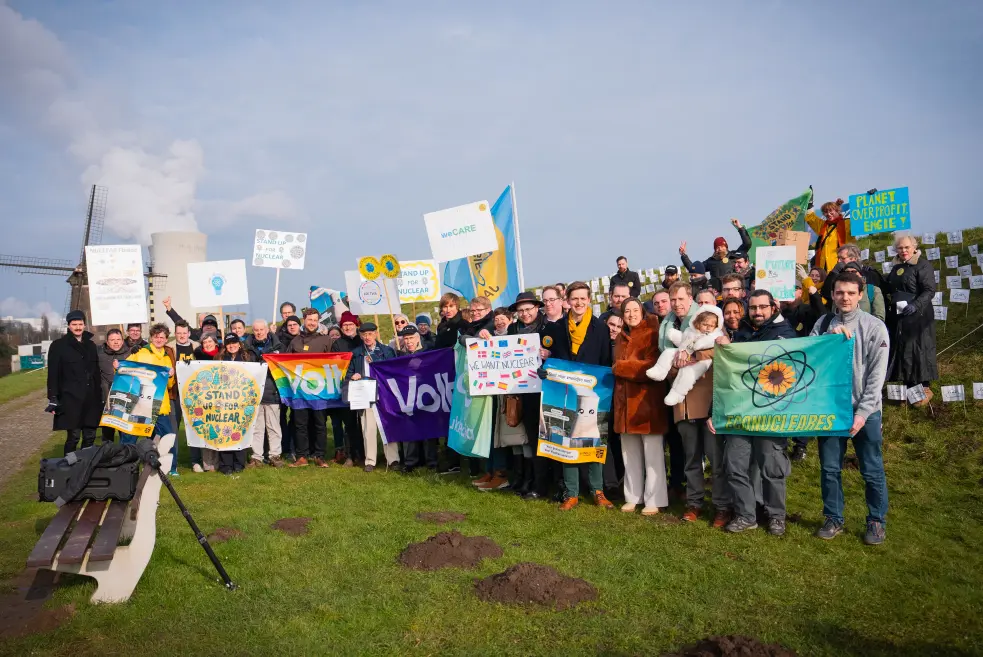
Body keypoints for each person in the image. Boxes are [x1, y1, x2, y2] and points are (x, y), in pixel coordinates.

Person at [811, 271, 890, 545]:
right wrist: (829, 341)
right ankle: (833, 518)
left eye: (850, 293)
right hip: (831, 410)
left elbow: (877, 376)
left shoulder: (875, 327)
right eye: (839, 292)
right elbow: (811, 362)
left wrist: (864, 412)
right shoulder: (822, 324)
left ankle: (876, 521)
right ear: (832, 294)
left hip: (864, 410)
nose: (844, 297)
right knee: (830, 468)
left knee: (871, 469)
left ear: (860, 295)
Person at [715, 289, 796, 536]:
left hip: (771, 412)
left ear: (773, 307)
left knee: (771, 467)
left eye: (762, 307)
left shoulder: (786, 333)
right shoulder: (742, 332)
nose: (757, 312)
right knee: (735, 465)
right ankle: (746, 515)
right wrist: (728, 348)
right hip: (741, 411)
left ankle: (776, 517)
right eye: (753, 308)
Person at [658, 282, 729, 526]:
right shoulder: (668, 326)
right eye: (672, 299)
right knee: (691, 459)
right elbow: (667, 364)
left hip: (707, 402)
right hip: (682, 405)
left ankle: (721, 506)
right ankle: (694, 503)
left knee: (715, 458)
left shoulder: (708, 320)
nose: (676, 304)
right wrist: (674, 365)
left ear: (691, 300)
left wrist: (693, 356)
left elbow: (722, 348)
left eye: (680, 299)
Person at [542, 282, 614, 511]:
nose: (579, 303)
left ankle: (597, 490)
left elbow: (605, 362)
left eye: (583, 298)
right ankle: (571, 493)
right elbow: (548, 358)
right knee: (566, 439)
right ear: (567, 301)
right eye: (575, 299)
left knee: (595, 438)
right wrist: (544, 369)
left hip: (594, 392)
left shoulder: (600, 328)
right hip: (564, 393)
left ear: (589, 300)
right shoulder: (556, 328)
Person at [612, 298, 669, 515]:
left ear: (642, 312)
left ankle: (655, 499)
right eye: (627, 311)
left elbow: (653, 366)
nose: (631, 314)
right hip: (624, 405)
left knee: (653, 455)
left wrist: (621, 367)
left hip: (647, 403)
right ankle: (632, 496)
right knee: (630, 454)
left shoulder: (653, 333)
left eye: (635, 310)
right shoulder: (620, 337)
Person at [504, 292, 552, 499]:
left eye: (528, 309)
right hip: (525, 390)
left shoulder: (548, 326)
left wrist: (550, 354)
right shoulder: (513, 329)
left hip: (549, 390)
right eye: (520, 310)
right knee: (532, 437)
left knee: (549, 436)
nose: (524, 314)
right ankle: (536, 483)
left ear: (536, 308)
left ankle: (551, 482)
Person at [885, 235, 937, 406]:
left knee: (918, 349)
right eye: (900, 248)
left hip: (919, 316)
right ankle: (908, 388)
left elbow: (929, 290)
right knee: (904, 350)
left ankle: (924, 387)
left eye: (907, 247)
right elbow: (889, 287)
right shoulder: (895, 267)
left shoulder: (922, 265)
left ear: (914, 247)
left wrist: (916, 305)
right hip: (900, 317)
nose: (903, 251)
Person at [47, 310, 103, 455]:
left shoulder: (91, 345)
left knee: (90, 436)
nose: (78, 327)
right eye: (74, 324)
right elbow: (53, 373)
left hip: (91, 398)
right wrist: (53, 397)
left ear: (84, 325)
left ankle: (85, 467)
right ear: (69, 326)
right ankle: (69, 467)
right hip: (71, 398)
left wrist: (99, 395)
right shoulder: (58, 346)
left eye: (80, 324)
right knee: (74, 436)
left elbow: (96, 371)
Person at [347, 322, 400, 472]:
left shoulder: (387, 351)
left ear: (376, 334)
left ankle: (393, 459)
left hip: (384, 394)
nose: (367, 337)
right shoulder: (357, 353)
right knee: (368, 427)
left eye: (370, 334)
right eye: (364, 335)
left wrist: (375, 362)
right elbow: (349, 373)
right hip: (365, 394)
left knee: (387, 426)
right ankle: (370, 460)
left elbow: (391, 371)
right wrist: (353, 376)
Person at [126, 324, 178, 474]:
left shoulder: (167, 358)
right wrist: (117, 366)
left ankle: (171, 467)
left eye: (162, 337)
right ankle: (126, 466)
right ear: (151, 337)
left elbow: (169, 385)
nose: (159, 339)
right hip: (141, 404)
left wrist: (171, 376)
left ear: (166, 339)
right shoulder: (141, 353)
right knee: (131, 437)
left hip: (160, 405)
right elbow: (126, 368)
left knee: (168, 437)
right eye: (156, 337)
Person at [647, 305, 723, 406]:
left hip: (701, 362)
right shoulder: (690, 331)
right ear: (698, 323)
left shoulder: (715, 335)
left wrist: (692, 349)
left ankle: (677, 393)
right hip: (686, 353)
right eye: (705, 324)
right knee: (668, 352)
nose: (708, 328)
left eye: (711, 325)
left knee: (687, 372)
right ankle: (659, 370)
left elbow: (707, 343)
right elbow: (684, 340)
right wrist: (679, 345)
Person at [287, 308, 334, 468]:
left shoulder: (326, 340)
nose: (312, 323)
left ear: (318, 321)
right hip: (300, 391)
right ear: (304, 320)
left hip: (320, 391)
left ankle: (319, 456)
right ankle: (302, 456)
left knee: (320, 424)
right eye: (309, 320)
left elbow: (334, 363)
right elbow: (286, 364)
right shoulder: (295, 342)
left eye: (315, 320)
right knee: (300, 424)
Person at [398, 325, 439, 472]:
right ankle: (410, 462)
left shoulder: (428, 353)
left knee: (428, 429)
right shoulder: (399, 356)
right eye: (406, 338)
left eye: (411, 338)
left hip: (426, 396)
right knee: (410, 429)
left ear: (417, 338)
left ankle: (431, 462)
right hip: (408, 397)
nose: (408, 341)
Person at [244, 319, 285, 468]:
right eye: (256, 330)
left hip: (272, 391)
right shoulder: (246, 348)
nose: (259, 332)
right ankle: (257, 457)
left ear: (267, 330)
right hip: (254, 393)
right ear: (253, 331)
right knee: (256, 427)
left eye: (262, 329)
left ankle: (275, 455)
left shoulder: (278, 346)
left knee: (274, 426)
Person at [216, 335, 253, 474]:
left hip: (241, 400)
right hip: (224, 401)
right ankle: (226, 464)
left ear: (239, 344)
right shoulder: (219, 359)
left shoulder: (247, 358)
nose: (232, 346)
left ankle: (239, 463)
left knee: (239, 429)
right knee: (225, 430)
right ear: (225, 346)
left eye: (234, 343)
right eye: (229, 343)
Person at [820, 244, 886, 321]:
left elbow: (879, 309)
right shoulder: (839, 274)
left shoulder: (870, 274)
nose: (839, 261)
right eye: (838, 258)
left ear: (853, 258)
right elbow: (826, 293)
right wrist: (834, 272)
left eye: (842, 258)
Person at [679, 218, 752, 282]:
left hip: (731, 288)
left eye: (722, 246)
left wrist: (740, 227)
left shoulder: (734, 256)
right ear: (715, 250)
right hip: (716, 292)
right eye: (717, 247)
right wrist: (683, 255)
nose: (720, 249)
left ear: (726, 247)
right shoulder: (710, 261)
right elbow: (693, 268)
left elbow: (747, 244)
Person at [191, 333, 220, 471]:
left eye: (210, 341)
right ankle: (208, 463)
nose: (208, 344)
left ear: (215, 342)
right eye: (205, 342)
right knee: (207, 428)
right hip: (203, 398)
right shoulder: (197, 357)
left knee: (219, 428)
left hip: (220, 398)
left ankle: (219, 461)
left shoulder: (222, 356)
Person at [807, 196, 856, 273]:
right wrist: (809, 203)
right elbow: (810, 218)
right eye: (825, 212)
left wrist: (870, 197)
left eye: (831, 211)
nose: (828, 214)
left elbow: (863, 220)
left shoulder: (848, 223)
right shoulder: (822, 225)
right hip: (823, 268)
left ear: (837, 211)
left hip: (843, 267)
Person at [97, 328, 129, 444]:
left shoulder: (130, 354)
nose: (116, 342)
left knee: (125, 436)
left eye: (118, 339)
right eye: (112, 340)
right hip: (107, 402)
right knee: (107, 437)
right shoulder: (99, 356)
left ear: (122, 340)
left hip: (125, 402)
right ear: (107, 341)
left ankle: (126, 459)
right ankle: (107, 460)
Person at [279, 314, 303, 460]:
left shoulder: (304, 340)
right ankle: (285, 447)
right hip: (283, 383)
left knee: (297, 418)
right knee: (282, 417)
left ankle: (296, 449)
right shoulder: (280, 341)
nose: (292, 327)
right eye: (289, 325)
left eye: (295, 324)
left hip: (300, 385)